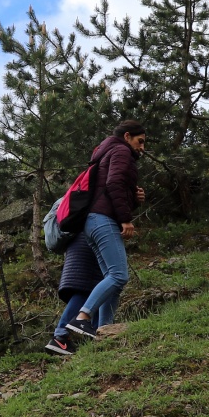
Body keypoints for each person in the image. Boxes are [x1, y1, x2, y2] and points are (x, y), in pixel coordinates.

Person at [63, 121, 146, 341]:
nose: (142, 148)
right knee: (119, 275)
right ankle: (82, 317)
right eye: (140, 141)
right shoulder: (121, 150)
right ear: (127, 136)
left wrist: (133, 199)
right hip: (103, 220)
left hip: (92, 221)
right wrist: (126, 219)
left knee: (112, 279)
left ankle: (104, 330)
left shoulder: (105, 152)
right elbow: (114, 184)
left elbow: (110, 187)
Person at [43, 235, 103, 357]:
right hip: (87, 245)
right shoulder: (89, 219)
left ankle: (95, 334)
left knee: (90, 290)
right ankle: (61, 336)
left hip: (75, 249)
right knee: (87, 290)